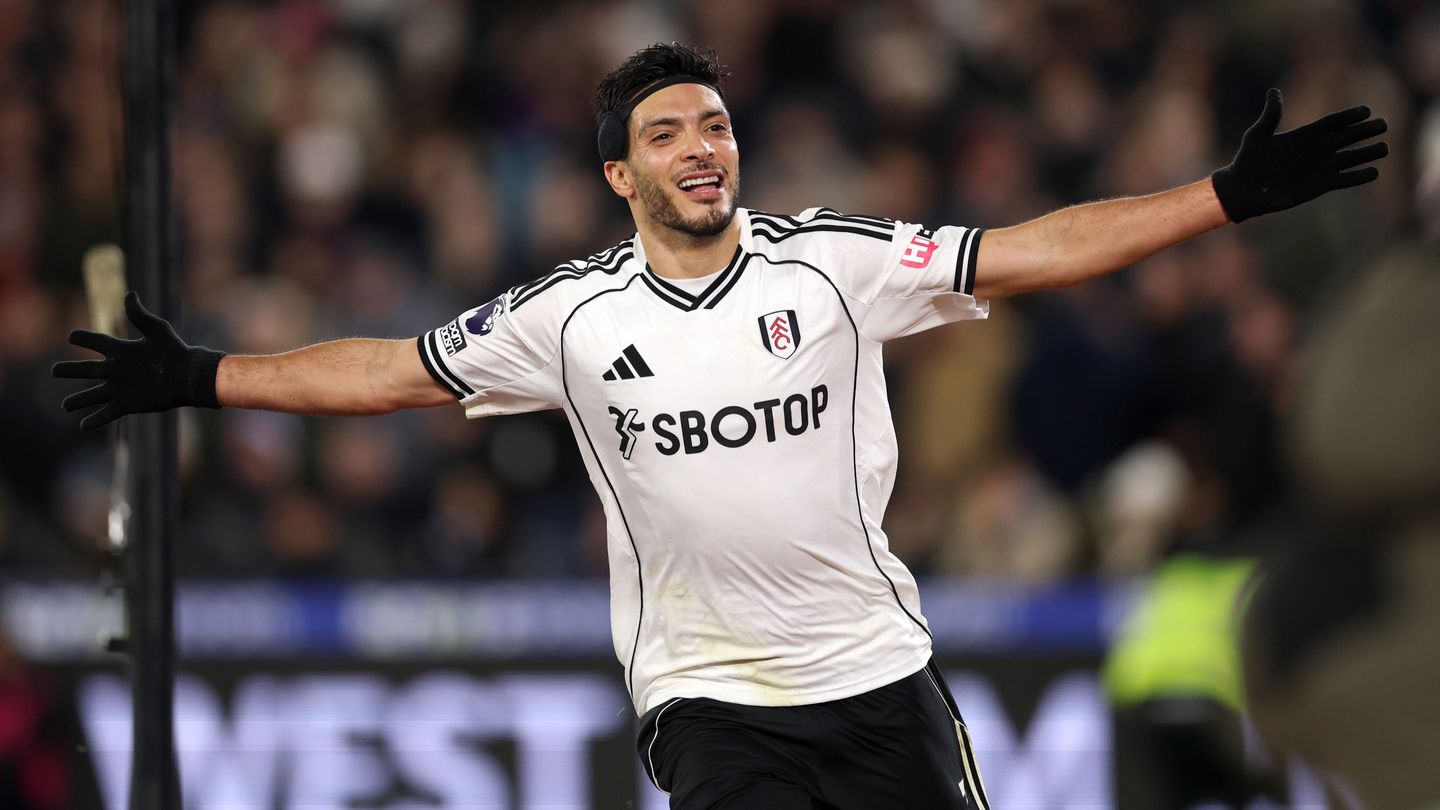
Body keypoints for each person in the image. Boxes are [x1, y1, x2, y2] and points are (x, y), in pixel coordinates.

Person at [54, 42, 1387, 810]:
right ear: (618, 173)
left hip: (880, 681)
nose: (704, 148)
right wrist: (203, 376)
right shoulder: (567, 318)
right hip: (713, 704)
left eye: (717, 125)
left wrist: (1220, 197)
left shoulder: (835, 262)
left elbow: (1031, 251)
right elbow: (396, 371)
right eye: (669, 133)